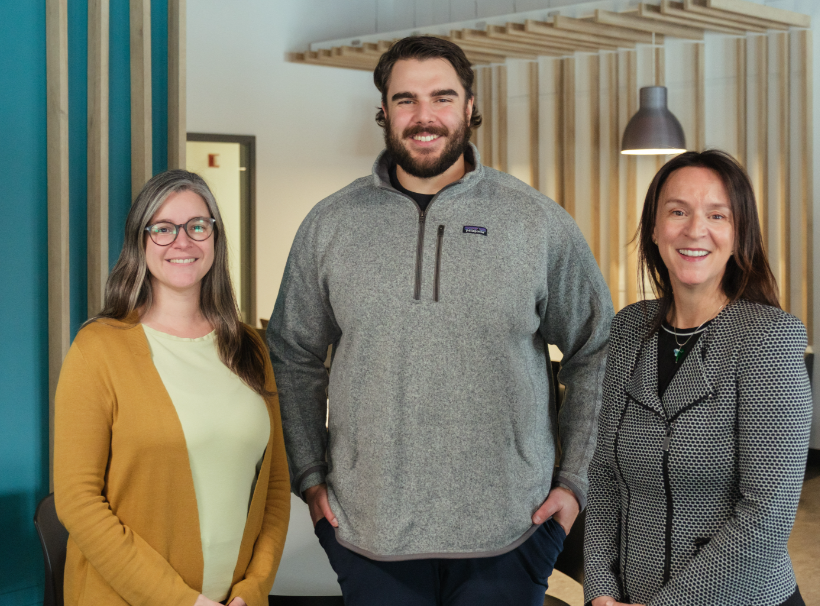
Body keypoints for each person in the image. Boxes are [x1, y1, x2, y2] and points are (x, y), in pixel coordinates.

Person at [268, 36, 613, 605]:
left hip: (511, 531)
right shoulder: (330, 224)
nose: (423, 116)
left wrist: (574, 481)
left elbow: (596, 347)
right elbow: (292, 352)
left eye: (442, 98)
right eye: (405, 99)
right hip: (369, 534)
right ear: (383, 111)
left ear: (470, 106)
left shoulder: (535, 221)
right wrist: (309, 473)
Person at [583, 150, 811, 606]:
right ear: (654, 228)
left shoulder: (769, 337)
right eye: (678, 212)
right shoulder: (628, 328)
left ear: (739, 234)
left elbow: (767, 514)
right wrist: (600, 591)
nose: (694, 230)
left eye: (717, 215)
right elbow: (604, 475)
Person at [54, 170, 290, 606]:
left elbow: (275, 488)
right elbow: (77, 501)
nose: (182, 241)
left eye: (197, 226)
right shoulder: (98, 349)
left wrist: (254, 589)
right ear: (140, 241)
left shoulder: (250, 349)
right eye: (163, 228)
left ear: (215, 238)